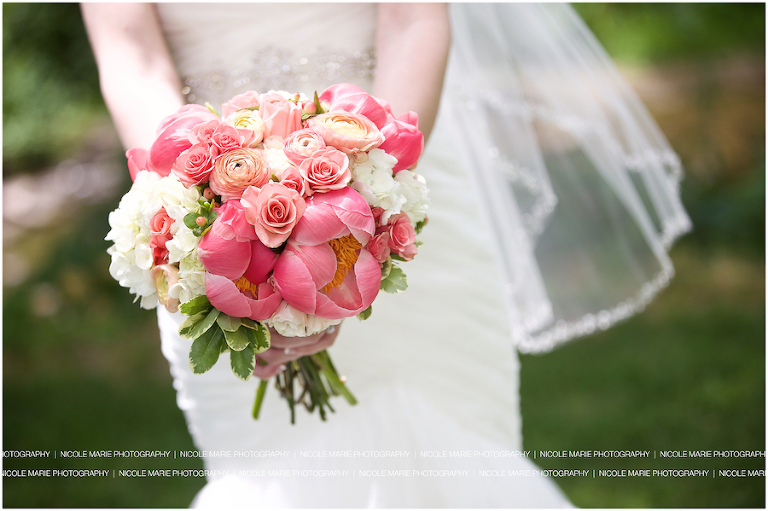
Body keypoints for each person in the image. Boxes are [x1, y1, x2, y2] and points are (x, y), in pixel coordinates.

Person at [83, 3, 689, 507]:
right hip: (206, 222)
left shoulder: (383, 196)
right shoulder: (200, 211)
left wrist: (368, 213)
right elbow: (131, 55)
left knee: (463, 455)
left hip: (396, 182)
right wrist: (198, 204)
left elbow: (415, 19)